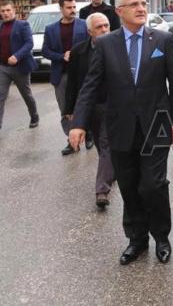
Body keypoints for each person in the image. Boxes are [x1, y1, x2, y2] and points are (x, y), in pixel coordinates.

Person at [69, 0, 173, 266]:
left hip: (156, 125)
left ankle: (162, 237)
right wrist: (78, 123)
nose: (141, 8)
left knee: (153, 185)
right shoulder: (105, 44)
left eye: (143, 3)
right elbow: (90, 86)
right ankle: (137, 239)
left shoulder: (163, 39)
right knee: (129, 186)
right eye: (134, 4)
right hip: (120, 127)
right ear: (120, 11)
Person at [65, 13, 115, 209]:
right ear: (89, 32)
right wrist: (70, 109)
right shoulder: (78, 52)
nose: (104, 30)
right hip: (91, 106)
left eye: (106, 26)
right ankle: (111, 171)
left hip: (113, 105)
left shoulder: (118, 47)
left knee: (106, 143)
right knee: (102, 147)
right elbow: (73, 82)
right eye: (99, 27)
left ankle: (102, 190)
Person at [0, 0, 39, 137]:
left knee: (26, 94)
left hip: (20, 67)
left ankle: (34, 116)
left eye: (8, 10)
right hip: (2, 67)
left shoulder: (23, 25)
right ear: (0, 12)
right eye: (3, 11)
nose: (5, 13)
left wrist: (17, 56)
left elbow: (29, 44)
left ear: (14, 11)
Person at [42, 0, 88, 155]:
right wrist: (62, 56)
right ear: (61, 9)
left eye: (74, 7)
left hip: (82, 74)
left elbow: (91, 45)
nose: (73, 10)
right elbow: (45, 51)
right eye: (69, 8)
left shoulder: (84, 25)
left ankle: (89, 134)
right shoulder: (51, 29)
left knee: (84, 106)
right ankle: (71, 141)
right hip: (61, 74)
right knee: (65, 110)